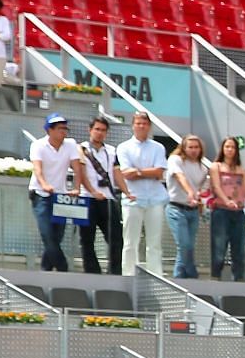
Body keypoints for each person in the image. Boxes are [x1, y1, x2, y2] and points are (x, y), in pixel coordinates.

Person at [29, 113, 96, 273]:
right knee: (47, 233)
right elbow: (37, 168)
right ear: (49, 130)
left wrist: (76, 187)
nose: (63, 132)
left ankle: (45, 270)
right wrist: (44, 184)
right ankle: (63, 267)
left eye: (65, 128)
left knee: (57, 236)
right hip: (40, 194)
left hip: (60, 195)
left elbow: (77, 167)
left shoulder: (71, 144)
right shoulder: (38, 145)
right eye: (60, 128)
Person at [113, 110, 168, 279]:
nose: (141, 126)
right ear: (133, 125)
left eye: (144, 123)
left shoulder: (158, 147)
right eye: (138, 123)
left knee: (154, 242)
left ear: (149, 126)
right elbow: (126, 173)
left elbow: (159, 172)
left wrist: (137, 172)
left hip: (155, 198)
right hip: (132, 198)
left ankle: (155, 275)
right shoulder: (123, 147)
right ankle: (129, 274)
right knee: (130, 241)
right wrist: (147, 172)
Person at [77, 116, 122, 277]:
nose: (100, 133)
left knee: (115, 238)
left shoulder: (111, 150)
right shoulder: (80, 148)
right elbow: (80, 173)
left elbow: (117, 172)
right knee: (87, 239)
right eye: (97, 129)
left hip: (108, 198)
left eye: (103, 130)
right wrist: (92, 191)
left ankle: (114, 272)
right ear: (90, 130)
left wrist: (126, 191)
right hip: (87, 197)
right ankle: (92, 272)